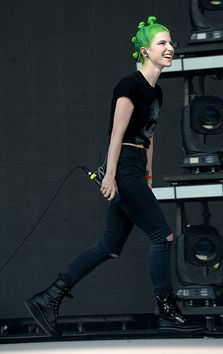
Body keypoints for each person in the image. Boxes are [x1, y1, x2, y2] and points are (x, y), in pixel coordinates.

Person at [25, 16, 202, 336]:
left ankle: (48, 297)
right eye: (162, 43)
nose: (171, 48)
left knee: (109, 244)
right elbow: (117, 133)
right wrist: (110, 176)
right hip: (122, 165)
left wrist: (148, 177)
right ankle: (166, 310)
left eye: (171, 42)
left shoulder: (156, 92)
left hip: (135, 167)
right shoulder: (130, 85)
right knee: (163, 237)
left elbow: (148, 136)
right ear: (145, 51)